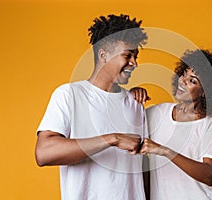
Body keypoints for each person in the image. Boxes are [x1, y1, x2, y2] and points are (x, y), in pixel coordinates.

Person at [35, 14, 148, 200]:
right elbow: (44, 153)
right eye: (127, 55)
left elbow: (143, 168)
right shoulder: (69, 95)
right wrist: (112, 139)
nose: (134, 63)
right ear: (103, 54)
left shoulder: (136, 104)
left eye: (136, 56)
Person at [139, 49, 212, 200]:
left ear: (205, 92)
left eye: (192, 81)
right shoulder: (156, 113)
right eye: (184, 74)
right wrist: (133, 95)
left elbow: (209, 175)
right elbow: (129, 135)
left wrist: (165, 151)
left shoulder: (211, 124)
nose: (183, 81)